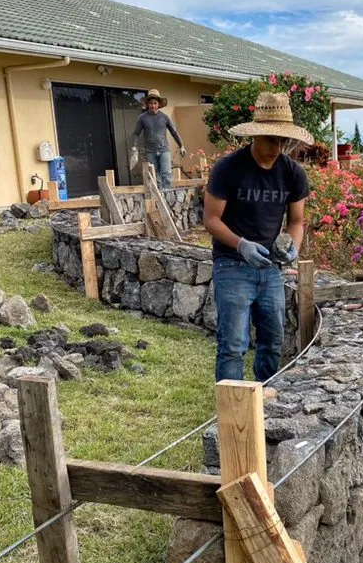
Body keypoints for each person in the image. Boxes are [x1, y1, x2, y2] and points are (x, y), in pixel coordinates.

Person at [203, 91, 312, 383]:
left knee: (272, 342)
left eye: (283, 141)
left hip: (269, 268)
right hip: (232, 265)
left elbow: (297, 221)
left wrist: (293, 249)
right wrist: (240, 244)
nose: (278, 147)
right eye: (272, 140)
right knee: (233, 345)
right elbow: (210, 219)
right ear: (255, 136)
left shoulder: (292, 173)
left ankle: (265, 401)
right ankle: (232, 412)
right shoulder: (229, 169)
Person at [130, 88, 185, 189]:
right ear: (147, 104)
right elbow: (136, 134)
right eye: (150, 103)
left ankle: (167, 196)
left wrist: (181, 145)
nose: (153, 105)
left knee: (166, 173)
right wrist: (134, 146)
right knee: (155, 175)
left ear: (159, 104)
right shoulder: (142, 118)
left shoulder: (164, 117)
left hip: (164, 150)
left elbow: (174, 132)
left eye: (155, 103)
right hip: (150, 151)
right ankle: (158, 196)